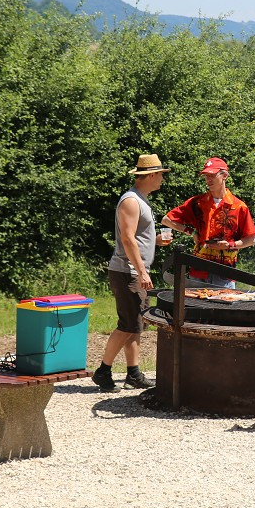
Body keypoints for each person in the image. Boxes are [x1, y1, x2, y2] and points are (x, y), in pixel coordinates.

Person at [92, 153, 172, 391]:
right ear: (150, 175)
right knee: (127, 324)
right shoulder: (131, 200)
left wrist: (155, 241)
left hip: (135, 271)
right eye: (161, 175)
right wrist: (141, 271)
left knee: (136, 324)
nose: (162, 180)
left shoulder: (141, 199)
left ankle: (133, 374)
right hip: (127, 271)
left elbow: (137, 237)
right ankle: (103, 372)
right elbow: (127, 239)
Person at [162, 157, 255, 288]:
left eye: (212, 175)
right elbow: (167, 220)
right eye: (206, 176)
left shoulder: (239, 207)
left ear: (224, 176)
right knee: (194, 308)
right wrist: (191, 232)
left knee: (222, 308)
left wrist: (229, 245)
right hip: (198, 270)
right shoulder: (198, 203)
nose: (208, 180)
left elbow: (251, 240)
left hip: (225, 273)